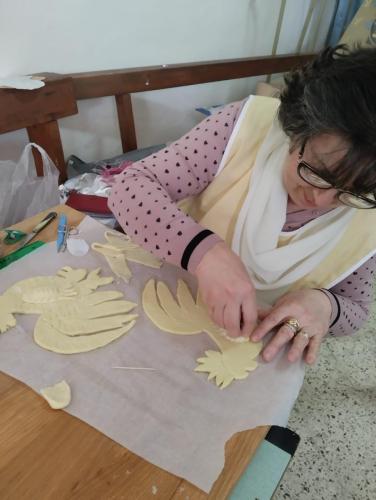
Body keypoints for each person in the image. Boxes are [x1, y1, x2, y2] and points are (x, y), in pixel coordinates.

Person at [109, 45, 376, 366]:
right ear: (297, 127)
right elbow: (130, 187)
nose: (320, 199)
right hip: (165, 297)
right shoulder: (245, 129)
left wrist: (324, 306)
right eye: (317, 172)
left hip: (246, 349)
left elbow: (357, 309)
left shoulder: (368, 216)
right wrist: (204, 253)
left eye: (352, 192)